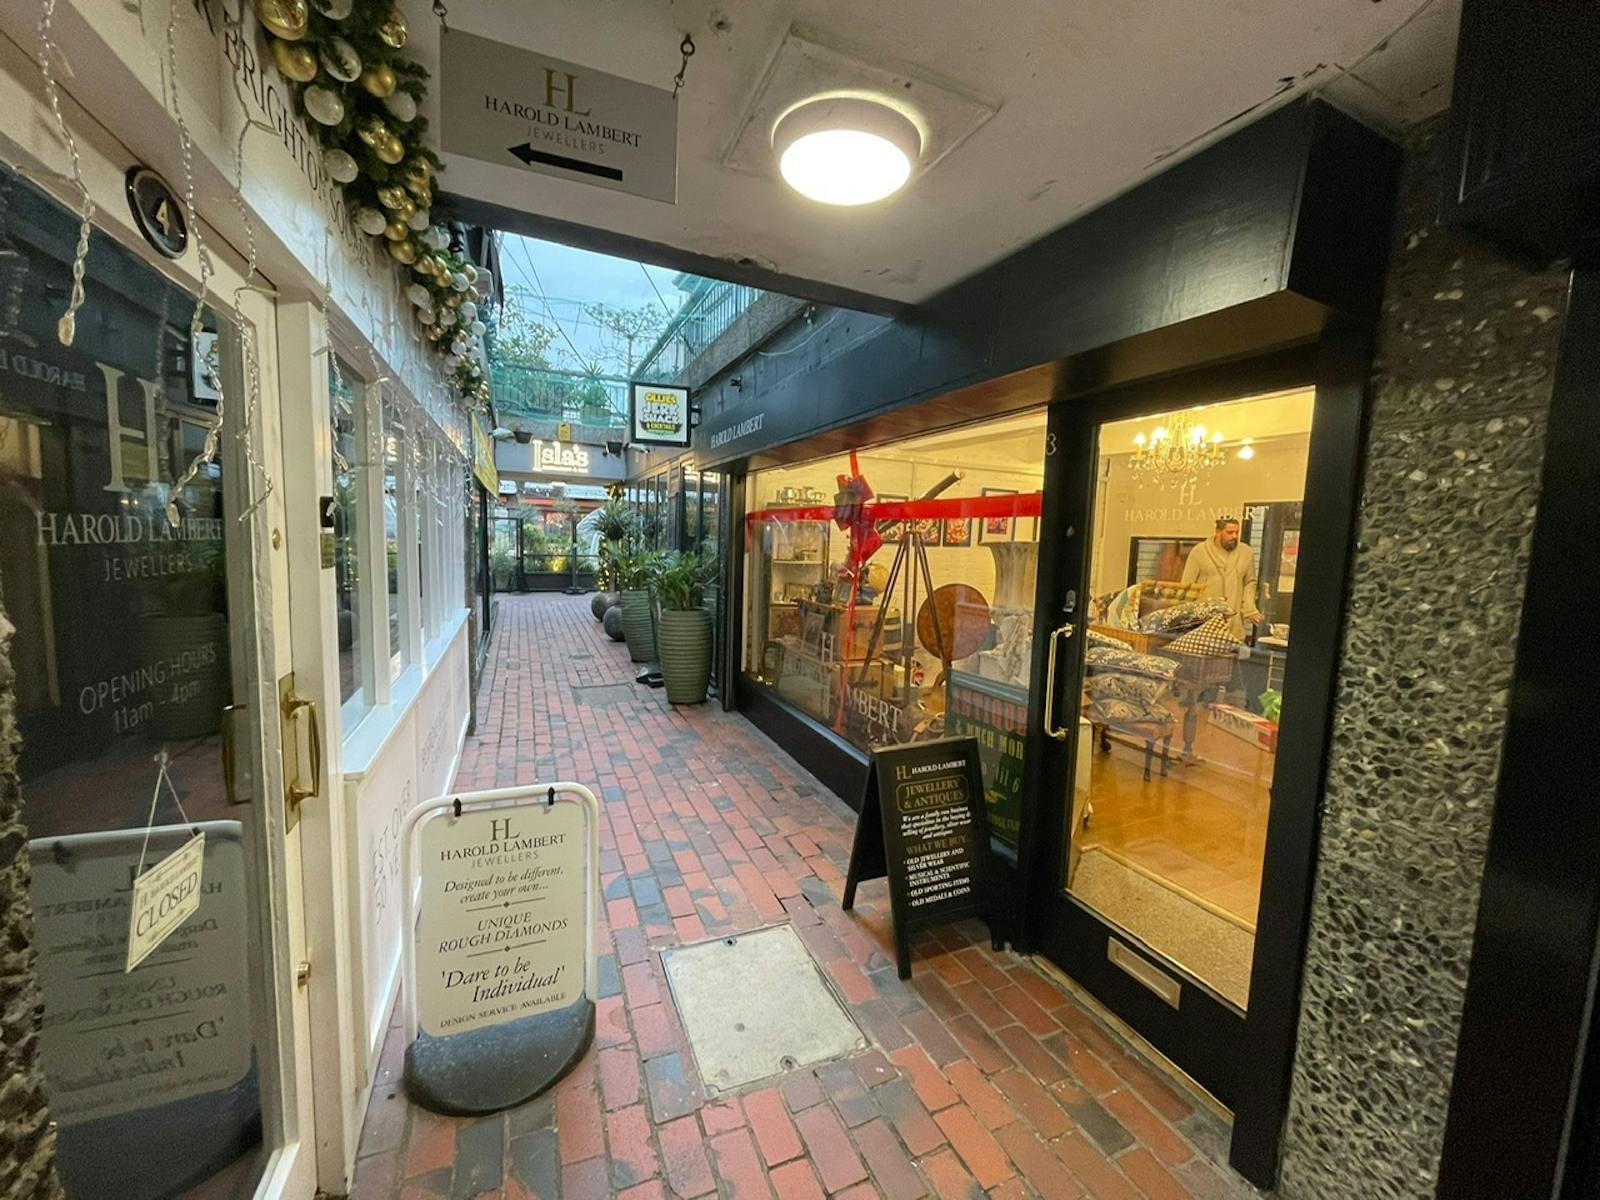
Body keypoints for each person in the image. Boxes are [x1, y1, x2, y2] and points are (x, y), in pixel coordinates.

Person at [1181, 516, 1263, 638]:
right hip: (1205, 624)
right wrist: (1188, 620)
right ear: (1218, 532)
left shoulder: (1246, 553)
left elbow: (1249, 583)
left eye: (1237, 532)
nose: (1234, 536)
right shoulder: (1199, 552)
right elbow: (1187, 587)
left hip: (1234, 624)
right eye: (1230, 532)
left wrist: (1249, 608)